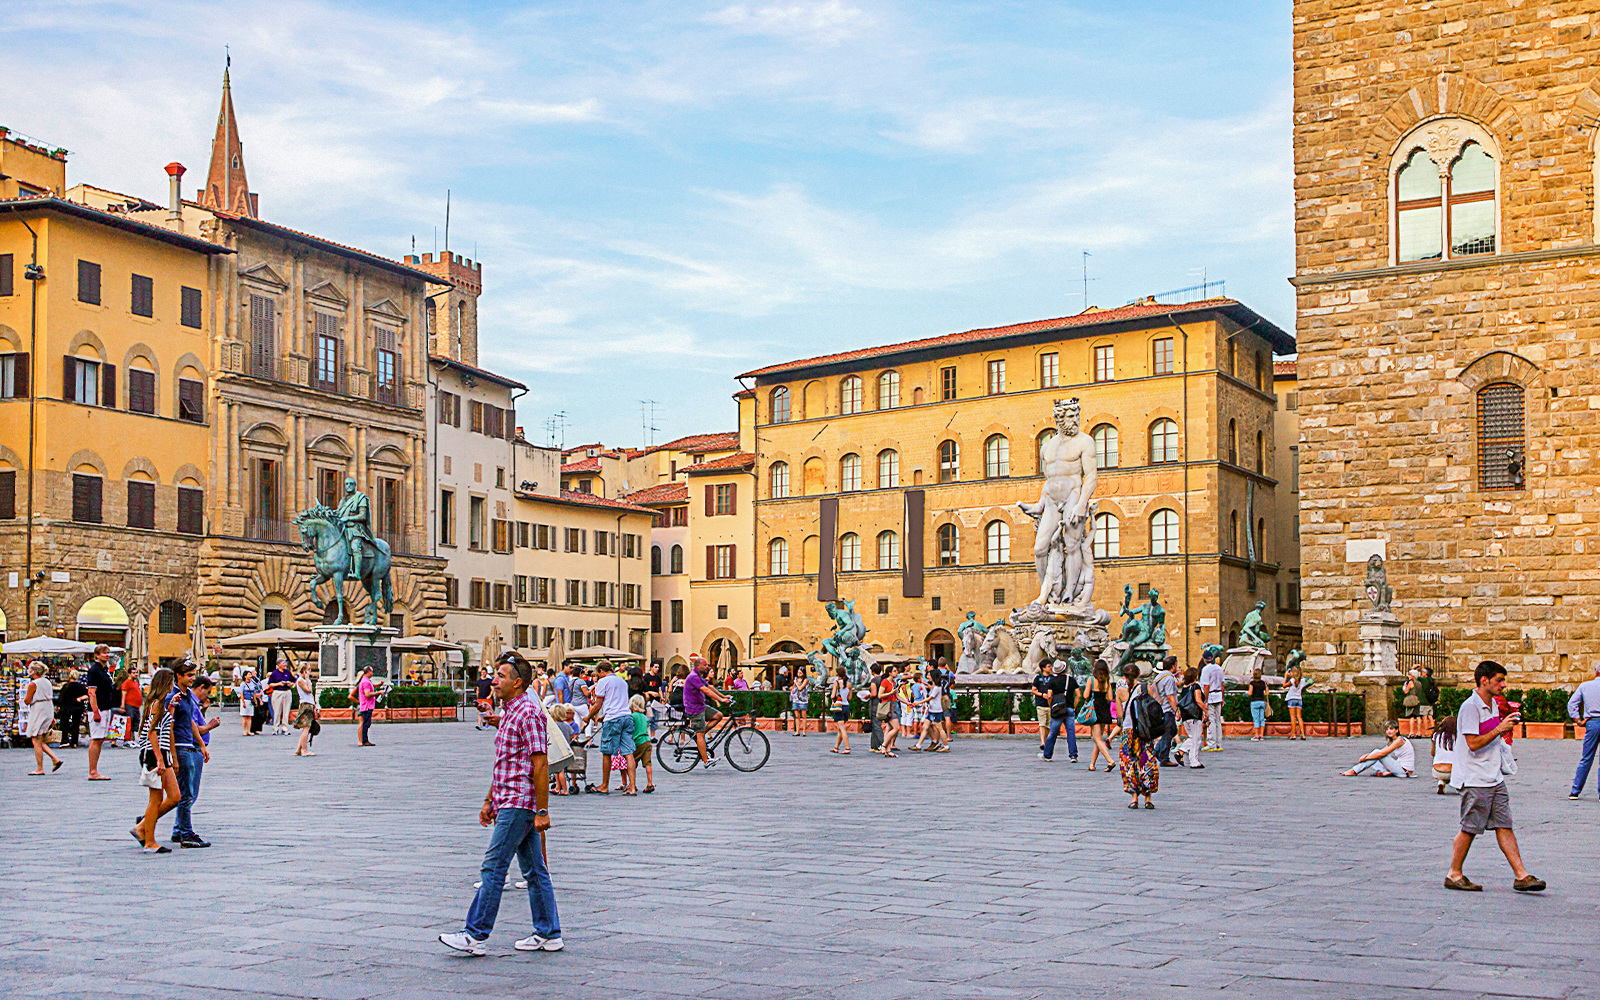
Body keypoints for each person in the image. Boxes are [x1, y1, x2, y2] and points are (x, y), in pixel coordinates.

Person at [438, 654, 562, 956]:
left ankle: (474, 935)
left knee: (493, 867)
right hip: (509, 798)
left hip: (519, 802)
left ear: (517, 683)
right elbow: (507, 761)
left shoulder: (529, 713)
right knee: (534, 870)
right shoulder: (512, 711)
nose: (495, 681)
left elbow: (540, 762)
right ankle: (549, 933)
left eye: (501, 676)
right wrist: (489, 799)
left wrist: (543, 810)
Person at [1445, 660, 1544, 893]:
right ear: (1484, 680)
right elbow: (1472, 743)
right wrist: (1500, 728)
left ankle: (1521, 875)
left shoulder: (1491, 705)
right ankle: (1454, 873)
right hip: (1475, 777)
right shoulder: (1471, 707)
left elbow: (1490, 738)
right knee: (1470, 827)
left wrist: (1504, 727)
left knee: (1504, 824)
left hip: (1493, 776)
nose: (1503, 685)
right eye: (1499, 680)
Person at [131, 667, 180, 853]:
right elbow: (152, 732)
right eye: (171, 681)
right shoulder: (156, 704)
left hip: (162, 752)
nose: (173, 685)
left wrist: (171, 709)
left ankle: (142, 827)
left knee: (175, 796)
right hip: (154, 753)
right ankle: (149, 840)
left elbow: (162, 726)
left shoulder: (159, 704)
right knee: (156, 798)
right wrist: (159, 759)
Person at [167, 660, 211, 849]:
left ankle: (179, 830)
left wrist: (201, 744)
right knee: (185, 794)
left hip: (189, 746)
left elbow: (191, 722)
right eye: (189, 675)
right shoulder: (174, 696)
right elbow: (169, 725)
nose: (193, 678)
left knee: (184, 793)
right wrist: (173, 757)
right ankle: (186, 833)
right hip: (180, 747)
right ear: (179, 676)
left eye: (194, 675)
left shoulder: (186, 696)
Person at [589, 661, 635, 795]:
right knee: (628, 752)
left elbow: (598, 704)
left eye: (599, 674)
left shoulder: (603, 681)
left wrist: (589, 717)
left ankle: (604, 785)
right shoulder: (622, 681)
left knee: (607, 751)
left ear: (602, 671)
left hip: (613, 719)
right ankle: (632, 787)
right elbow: (618, 702)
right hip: (626, 717)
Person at [1117, 664, 1159, 809]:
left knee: (1129, 763)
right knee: (1147, 761)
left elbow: (1120, 716)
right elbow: (1154, 709)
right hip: (1144, 731)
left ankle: (1134, 798)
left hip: (1128, 732)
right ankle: (1148, 798)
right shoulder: (1146, 689)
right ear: (1139, 674)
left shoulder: (1120, 691)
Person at [683, 657, 730, 766]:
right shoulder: (693, 677)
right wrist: (721, 700)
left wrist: (723, 695)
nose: (707, 667)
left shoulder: (698, 676)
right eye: (705, 665)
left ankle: (702, 734)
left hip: (701, 706)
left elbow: (709, 686)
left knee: (718, 715)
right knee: (700, 734)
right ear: (698, 666)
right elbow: (705, 690)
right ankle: (706, 761)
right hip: (694, 708)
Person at [1566, 663, 1600, 800]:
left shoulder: (1585, 686)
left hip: (1592, 722)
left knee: (1586, 758)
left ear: (1596, 672)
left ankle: (1575, 790)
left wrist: (1578, 720)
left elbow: (1572, 703)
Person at [24, 662, 64, 774]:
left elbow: (27, 700)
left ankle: (39, 768)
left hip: (38, 709)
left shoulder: (33, 684)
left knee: (35, 738)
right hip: (48, 708)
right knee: (39, 738)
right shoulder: (47, 682)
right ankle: (55, 759)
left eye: (30, 669)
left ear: (34, 671)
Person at [85, 644, 117, 780]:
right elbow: (92, 693)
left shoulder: (105, 670)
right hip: (98, 709)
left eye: (108, 652)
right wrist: (95, 711)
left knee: (100, 739)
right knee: (96, 739)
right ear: (96, 655)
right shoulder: (94, 670)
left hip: (105, 707)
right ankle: (92, 771)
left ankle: (94, 770)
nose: (107, 655)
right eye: (104, 653)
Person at [1039, 659, 1080, 762]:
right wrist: (1073, 706)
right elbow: (1079, 695)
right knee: (1071, 733)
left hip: (1057, 709)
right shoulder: (1071, 680)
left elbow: (1049, 696)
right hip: (1069, 708)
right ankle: (1073, 755)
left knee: (1053, 733)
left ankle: (1047, 755)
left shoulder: (1052, 681)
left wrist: (1051, 706)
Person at [1341, 721, 1415, 777]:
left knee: (1377, 753)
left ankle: (1354, 770)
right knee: (1375, 754)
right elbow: (1382, 751)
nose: (1388, 731)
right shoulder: (1394, 741)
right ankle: (1383, 772)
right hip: (1399, 767)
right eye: (1387, 729)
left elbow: (1382, 753)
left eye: (1391, 729)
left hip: (1404, 771)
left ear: (1397, 730)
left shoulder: (1400, 740)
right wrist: (1367, 755)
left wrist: (1365, 758)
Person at [1083, 662, 1114, 772]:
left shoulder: (1091, 679)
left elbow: (1086, 695)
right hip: (1104, 708)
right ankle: (1092, 764)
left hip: (1094, 709)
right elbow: (1110, 698)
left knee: (1097, 738)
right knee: (1099, 737)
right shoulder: (1107, 681)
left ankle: (1110, 760)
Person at [1152, 655, 1180, 764]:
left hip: (1160, 709)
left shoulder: (1160, 677)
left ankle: (1157, 750)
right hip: (1167, 709)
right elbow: (1170, 696)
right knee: (1169, 732)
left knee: (1172, 730)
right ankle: (1163, 757)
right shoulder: (1169, 678)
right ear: (1173, 666)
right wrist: (1176, 710)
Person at [1177, 667, 1206, 769]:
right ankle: (1194, 761)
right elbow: (1198, 700)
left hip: (1186, 716)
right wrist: (1206, 710)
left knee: (1192, 737)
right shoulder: (1196, 686)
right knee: (1196, 739)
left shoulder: (1184, 688)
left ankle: (1180, 752)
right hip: (1195, 715)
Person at [1199, 654, 1226, 751]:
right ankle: (1218, 743)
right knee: (1218, 720)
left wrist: (1205, 700)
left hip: (1210, 696)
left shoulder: (1206, 669)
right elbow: (1222, 685)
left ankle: (1211, 743)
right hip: (1218, 695)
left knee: (1211, 720)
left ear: (1204, 659)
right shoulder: (1219, 668)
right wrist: (1222, 697)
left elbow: (1206, 686)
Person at [629, 694, 655, 794]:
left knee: (632, 764)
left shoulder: (632, 716)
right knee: (647, 763)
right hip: (647, 741)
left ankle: (632, 784)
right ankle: (650, 783)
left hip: (637, 742)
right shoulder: (644, 717)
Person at [874, 666, 901, 758]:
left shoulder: (894, 682)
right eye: (894, 671)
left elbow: (897, 696)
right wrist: (891, 693)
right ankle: (884, 745)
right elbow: (880, 695)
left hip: (893, 705)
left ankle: (888, 750)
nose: (896, 672)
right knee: (896, 727)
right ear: (889, 672)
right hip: (887, 706)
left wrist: (908, 703)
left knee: (889, 728)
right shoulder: (885, 681)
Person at [58, 668, 88, 749]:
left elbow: (60, 698)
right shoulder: (80, 686)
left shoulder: (65, 686)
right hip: (77, 707)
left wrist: (59, 706)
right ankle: (74, 741)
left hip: (66, 707)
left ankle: (65, 740)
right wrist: (80, 698)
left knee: (64, 724)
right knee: (75, 724)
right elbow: (87, 695)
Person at [293, 666, 319, 757]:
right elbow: (309, 690)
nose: (310, 672)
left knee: (307, 728)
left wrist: (315, 706)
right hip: (305, 704)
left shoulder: (304, 680)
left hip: (309, 704)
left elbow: (311, 695)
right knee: (306, 728)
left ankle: (299, 750)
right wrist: (307, 679)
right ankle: (304, 750)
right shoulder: (300, 680)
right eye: (308, 670)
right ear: (304, 671)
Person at [827, 665, 853, 755]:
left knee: (842, 728)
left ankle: (847, 748)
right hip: (846, 707)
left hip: (839, 707)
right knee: (840, 729)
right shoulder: (849, 684)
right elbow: (850, 697)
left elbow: (832, 696)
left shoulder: (836, 683)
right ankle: (836, 747)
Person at [356, 666, 383, 747]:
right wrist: (378, 693)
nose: (372, 673)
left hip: (366, 705)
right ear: (369, 672)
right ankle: (364, 740)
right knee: (366, 723)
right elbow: (367, 694)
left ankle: (365, 740)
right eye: (372, 671)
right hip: (367, 705)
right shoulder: (366, 682)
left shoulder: (366, 681)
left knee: (366, 723)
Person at [267, 661, 295, 735]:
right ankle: (275, 728)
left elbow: (293, 681)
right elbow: (270, 684)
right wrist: (278, 684)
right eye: (283, 663)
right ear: (278, 665)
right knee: (276, 711)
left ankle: (285, 728)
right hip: (278, 691)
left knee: (286, 711)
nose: (284, 664)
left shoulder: (288, 672)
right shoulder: (274, 673)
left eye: (285, 663)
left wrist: (290, 684)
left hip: (287, 691)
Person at [1032, 660, 1053, 753]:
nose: (1051, 668)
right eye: (1049, 666)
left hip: (1050, 704)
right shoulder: (1038, 678)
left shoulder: (1053, 678)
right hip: (1040, 703)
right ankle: (1043, 742)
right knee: (1042, 724)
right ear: (1043, 668)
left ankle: (1046, 741)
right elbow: (1033, 690)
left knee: (1048, 725)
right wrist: (1041, 694)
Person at [1283, 663, 1309, 741]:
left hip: (1291, 699)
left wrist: (1286, 677)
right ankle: (1303, 734)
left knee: (1292, 717)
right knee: (1299, 717)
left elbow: (1284, 685)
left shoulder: (1292, 681)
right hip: (1299, 699)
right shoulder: (1303, 680)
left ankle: (1293, 734)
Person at [1432, 717, 1457, 794]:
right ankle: (1459, 786)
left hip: (1437, 770)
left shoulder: (1436, 735)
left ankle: (1441, 782)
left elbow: (1432, 753)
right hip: (1454, 772)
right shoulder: (1459, 737)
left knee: (1442, 775)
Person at [120, 668, 145, 743]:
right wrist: (122, 705)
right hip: (129, 705)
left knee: (135, 721)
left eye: (136, 673)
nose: (136, 674)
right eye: (133, 673)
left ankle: (132, 738)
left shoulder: (136, 682)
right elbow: (123, 694)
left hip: (136, 706)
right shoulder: (127, 682)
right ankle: (128, 739)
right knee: (129, 722)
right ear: (129, 674)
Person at [237, 669, 262, 736]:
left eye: (250, 674)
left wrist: (256, 700)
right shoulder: (243, 684)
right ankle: (244, 730)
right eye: (249, 674)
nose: (250, 676)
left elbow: (254, 692)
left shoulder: (252, 683)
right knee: (245, 716)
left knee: (250, 716)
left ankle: (249, 730)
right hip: (245, 700)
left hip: (251, 700)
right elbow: (241, 693)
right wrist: (243, 702)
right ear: (245, 676)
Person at [789, 668, 812, 736]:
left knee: (803, 716)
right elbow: (793, 687)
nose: (799, 674)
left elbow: (800, 688)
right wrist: (792, 687)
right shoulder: (796, 679)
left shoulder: (806, 680)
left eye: (800, 673)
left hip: (803, 699)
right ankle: (797, 731)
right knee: (797, 716)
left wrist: (796, 683)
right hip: (796, 699)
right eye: (798, 673)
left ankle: (804, 731)